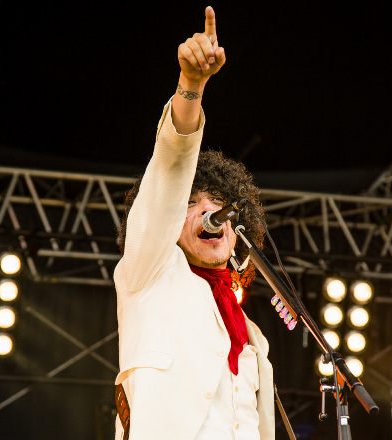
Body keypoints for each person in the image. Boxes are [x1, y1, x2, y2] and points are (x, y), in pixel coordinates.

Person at [112, 6, 274, 439]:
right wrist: (192, 86)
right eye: (191, 202)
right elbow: (171, 165)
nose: (209, 211)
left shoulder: (252, 336)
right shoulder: (148, 273)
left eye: (218, 202)